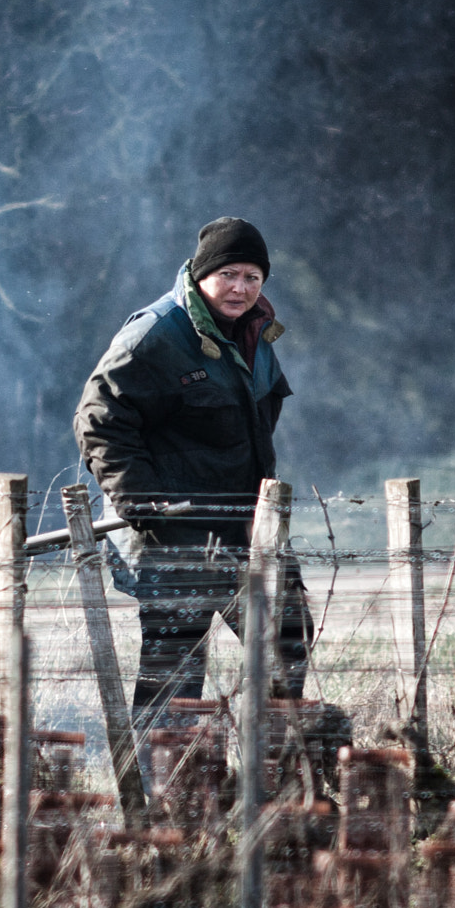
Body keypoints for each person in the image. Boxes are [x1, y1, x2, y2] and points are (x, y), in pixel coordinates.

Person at [73, 217, 313, 721]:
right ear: (201, 275)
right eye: (229, 274)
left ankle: (277, 769)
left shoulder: (255, 334)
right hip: (172, 533)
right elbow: (99, 421)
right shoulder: (157, 335)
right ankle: (166, 789)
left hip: (246, 527)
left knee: (288, 637)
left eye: (253, 277)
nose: (241, 288)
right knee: (176, 672)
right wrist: (144, 504)